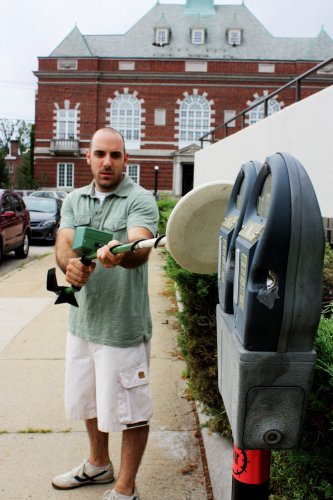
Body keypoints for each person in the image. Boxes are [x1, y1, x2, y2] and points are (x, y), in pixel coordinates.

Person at [52, 127, 159, 500]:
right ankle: (98, 465)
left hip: (123, 329)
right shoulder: (74, 199)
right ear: (89, 158)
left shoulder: (140, 198)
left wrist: (123, 251)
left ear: (125, 159)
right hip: (82, 323)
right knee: (88, 400)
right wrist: (70, 267)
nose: (107, 162)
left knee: (132, 410)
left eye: (115, 155)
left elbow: (141, 245)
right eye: (100, 154)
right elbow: (63, 243)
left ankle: (125, 489)